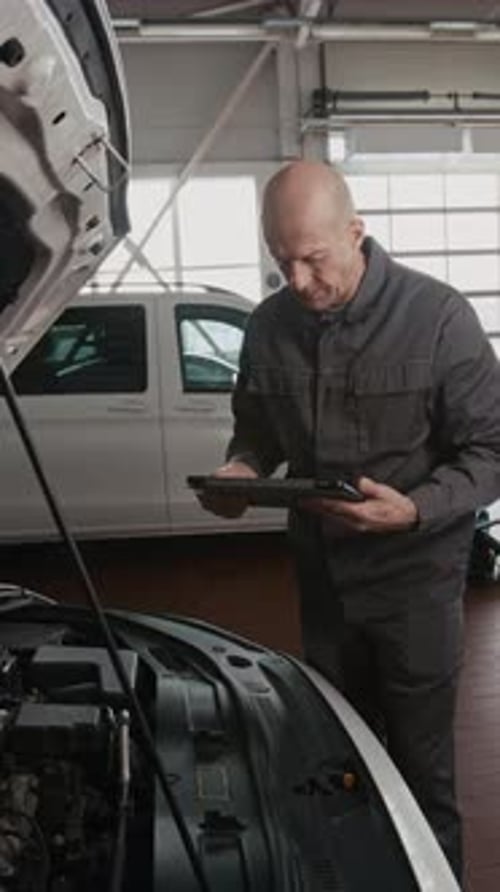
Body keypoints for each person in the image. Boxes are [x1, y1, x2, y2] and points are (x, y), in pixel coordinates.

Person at [199, 160, 500, 884]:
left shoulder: (439, 318)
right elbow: (255, 433)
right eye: (281, 263)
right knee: (341, 763)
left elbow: (491, 452)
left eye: (313, 258)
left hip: (415, 589)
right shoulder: (268, 326)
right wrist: (240, 470)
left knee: (422, 777)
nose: (298, 281)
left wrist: (415, 508)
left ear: (356, 232)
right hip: (325, 589)